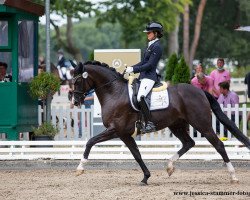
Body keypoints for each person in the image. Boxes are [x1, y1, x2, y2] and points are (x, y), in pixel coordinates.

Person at [125, 22, 163, 133]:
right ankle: (139, 120)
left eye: (149, 33)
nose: (147, 34)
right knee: (133, 95)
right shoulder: (150, 45)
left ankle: (150, 123)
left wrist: (134, 70)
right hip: (143, 76)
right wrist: (131, 68)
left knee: (140, 96)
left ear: (155, 33)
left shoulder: (157, 47)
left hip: (150, 77)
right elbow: (143, 62)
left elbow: (150, 65)